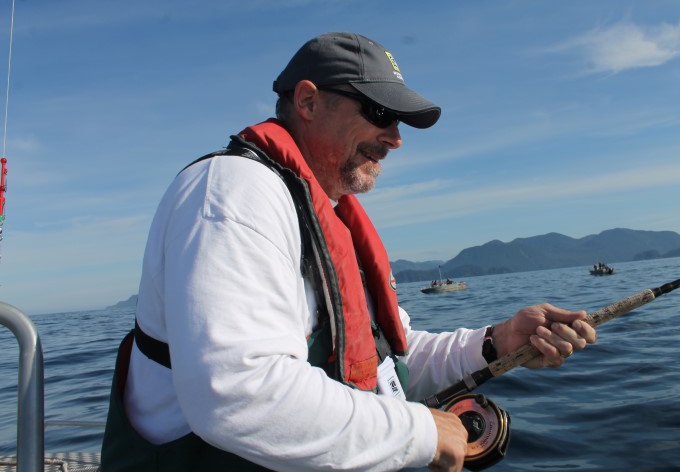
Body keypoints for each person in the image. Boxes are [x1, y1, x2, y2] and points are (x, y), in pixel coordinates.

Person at [101, 32, 597, 472]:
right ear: (308, 101)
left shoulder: (328, 217)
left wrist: (498, 342)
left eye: (399, 121)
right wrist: (422, 433)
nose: (396, 139)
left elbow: (387, 363)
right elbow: (237, 392)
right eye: (380, 113)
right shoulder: (233, 193)